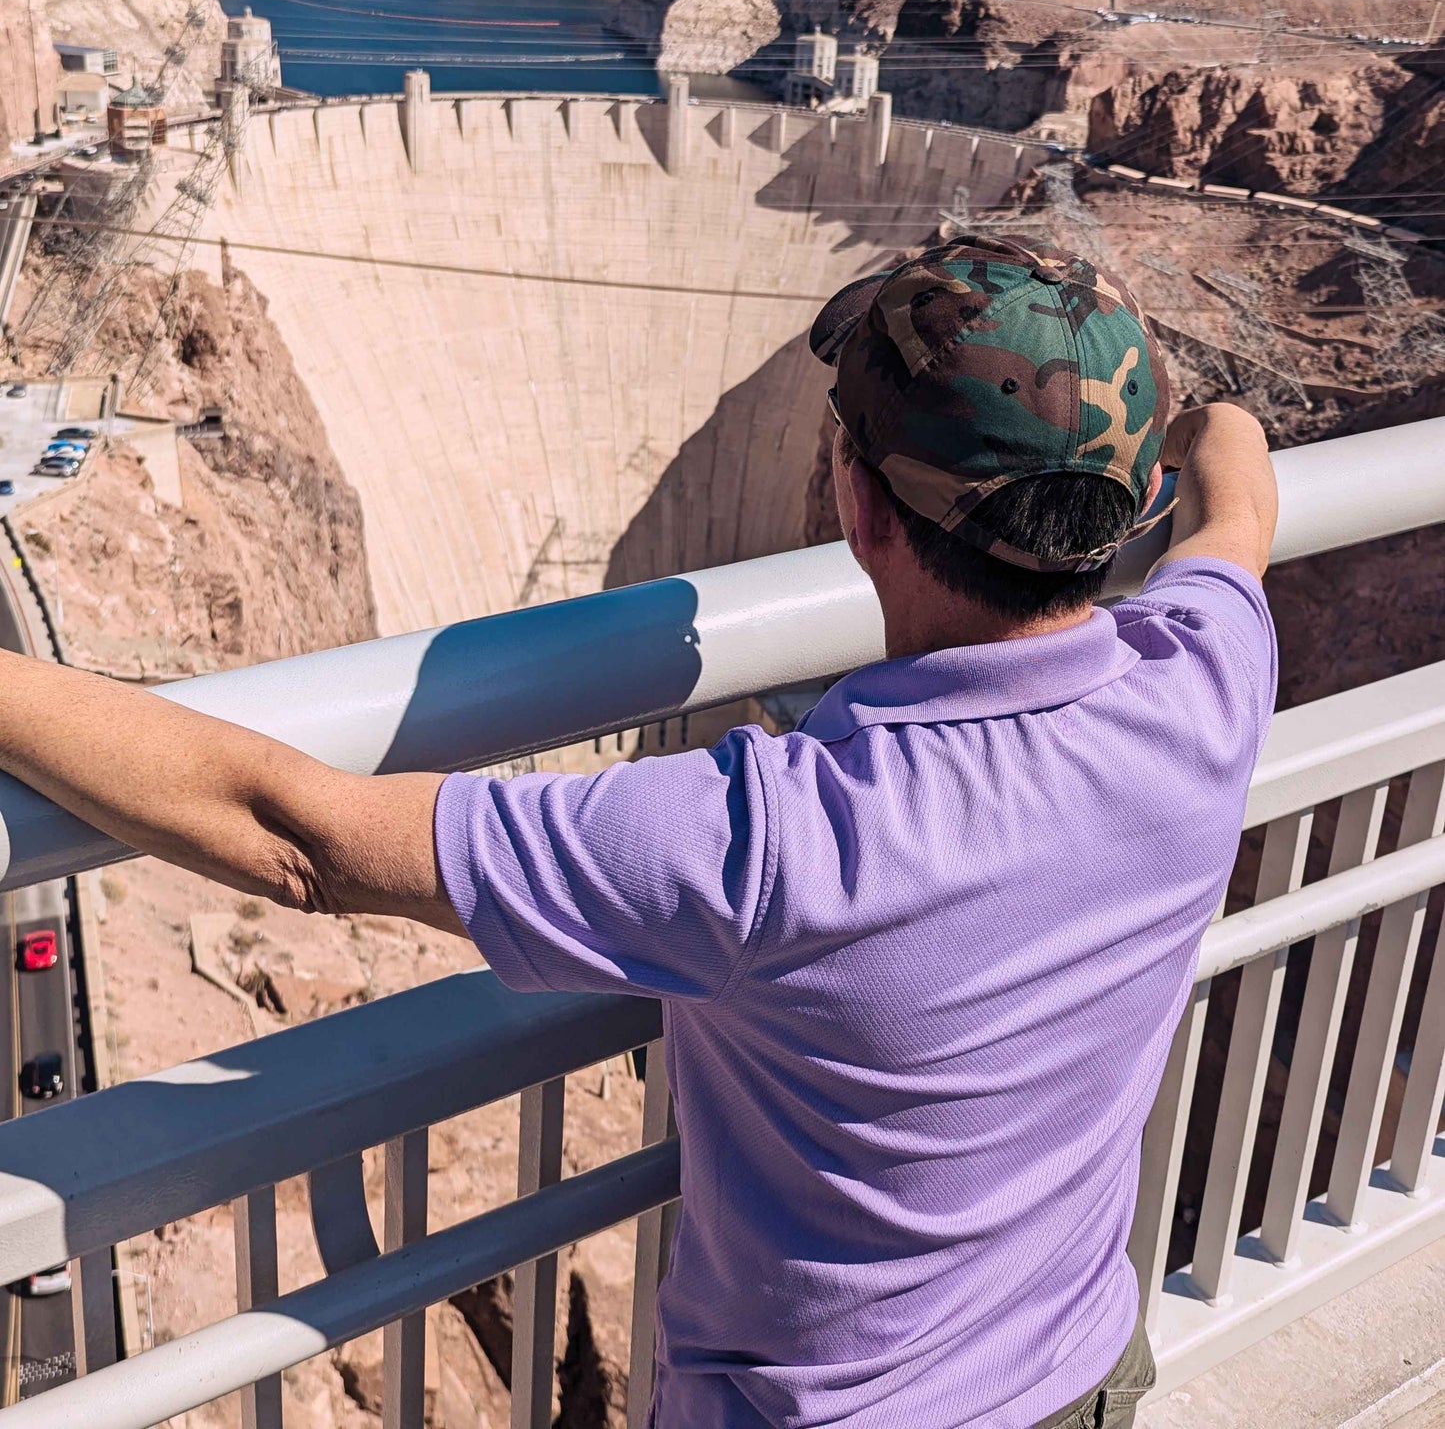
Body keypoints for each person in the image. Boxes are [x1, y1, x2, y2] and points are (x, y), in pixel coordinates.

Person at [0, 234, 1278, 1428]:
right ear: (1129, 502)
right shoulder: (1204, 681)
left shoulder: (772, 842)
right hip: (1082, 1370)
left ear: (861, 504)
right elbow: (1238, 494)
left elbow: (298, 837)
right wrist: (1201, 427)